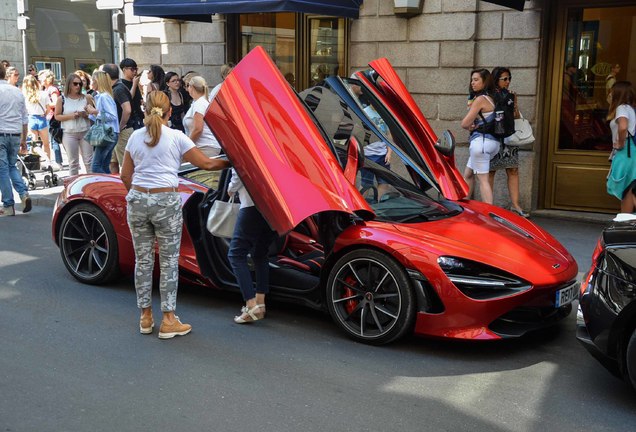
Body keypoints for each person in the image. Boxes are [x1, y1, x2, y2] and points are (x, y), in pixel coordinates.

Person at [119, 90, 230, 338]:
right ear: (170, 112)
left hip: (137, 199)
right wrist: (234, 161)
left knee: (143, 261)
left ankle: (145, 317)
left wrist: (138, 195)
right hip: (165, 200)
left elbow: (125, 176)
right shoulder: (177, 137)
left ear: (145, 110)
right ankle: (168, 320)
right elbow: (208, 164)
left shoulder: (135, 137)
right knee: (168, 262)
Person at [227, 169, 277, 324]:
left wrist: (230, 189)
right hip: (274, 207)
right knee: (260, 254)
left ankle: (251, 304)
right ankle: (260, 304)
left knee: (235, 255)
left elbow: (239, 172)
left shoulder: (247, 145)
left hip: (251, 205)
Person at [487, 67, 528, 217]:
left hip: (509, 136)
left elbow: (516, 116)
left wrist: (515, 105)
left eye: (509, 78)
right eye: (504, 79)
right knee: (490, 171)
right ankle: (488, 205)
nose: (508, 82)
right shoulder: (489, 95)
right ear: (496, 79)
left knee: (513, 169)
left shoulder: (511, 95)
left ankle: (515, 205)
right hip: (494, 136)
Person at [461, 68, 499, 204]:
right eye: (472, 80)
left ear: (485, 82)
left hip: (481, 143)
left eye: (476, 80)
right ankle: (465, 207)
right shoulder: (491, 98)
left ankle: (490, 214)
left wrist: (470, 126)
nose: (472, 83)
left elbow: (464, 123)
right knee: (468, 174)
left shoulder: (479, 99)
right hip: (491, 142)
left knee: (483, 180)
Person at [0, 63, 31, 217]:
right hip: (15, 133)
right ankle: (24, 193)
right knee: (12, 166)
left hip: (1, 134)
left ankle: (8, 205)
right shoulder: (17, 92)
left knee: (3, 170)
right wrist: (24, 138)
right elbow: (25, 118)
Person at [54, 73, 94, 175]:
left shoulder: (86, 97)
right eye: (75, 84)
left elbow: (93, 114)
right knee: (73, 162)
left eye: (80, 84)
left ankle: (92, 184)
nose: (78, 86)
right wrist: (72, 116)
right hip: (69, 133)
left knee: (89, 161)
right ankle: (73, 187)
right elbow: (57, 116)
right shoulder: (62, 99)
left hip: (85, 131)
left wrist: (86, 114)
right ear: (69, 84)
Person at [607, 81, 636, 212]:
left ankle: (624, 223)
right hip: (631, 152)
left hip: (626, 152)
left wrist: (621, 143)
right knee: (630, 188)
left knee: (626, 189)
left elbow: (623, 126)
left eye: (612, 91)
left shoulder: (622, 108)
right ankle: (626, 223)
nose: (609, 94)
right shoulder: (631, 108)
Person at [86, 71, 119, 173]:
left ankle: (105, 187)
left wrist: (95, 111)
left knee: (96, 166)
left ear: (98, 81)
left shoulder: (104, 96)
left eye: (93, 80)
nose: (91, 83)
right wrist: (91, 112)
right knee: (104, 165)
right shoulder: (101, 96)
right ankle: (109, 186)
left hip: (108, 132)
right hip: (109, 132)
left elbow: (112, 116)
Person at [184, 76, 221, 157]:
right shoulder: (200, 102)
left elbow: (198, 129)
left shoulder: (200, 104)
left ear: (192, 87)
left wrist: (187, 146)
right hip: (206, 146)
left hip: (204, 146)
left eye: (188, 86)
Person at [22, 74, 53, 162]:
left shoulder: (25, 96)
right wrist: (44, 114)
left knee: (34, 144)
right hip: (42, 119)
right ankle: (48, 161)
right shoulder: (43, 94)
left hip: (31, 119)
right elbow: (48, 108)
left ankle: (36, 162)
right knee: (46, 144)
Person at [39, 69, 64, 166]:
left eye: (42, 77)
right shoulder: (46, 89)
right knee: (52, 140)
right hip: (49, 117)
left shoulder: (52, 89)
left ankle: (58, 162)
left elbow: (56, 102)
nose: (40, 79)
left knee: (54, 140)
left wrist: (47, 105)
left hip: (52, 117)